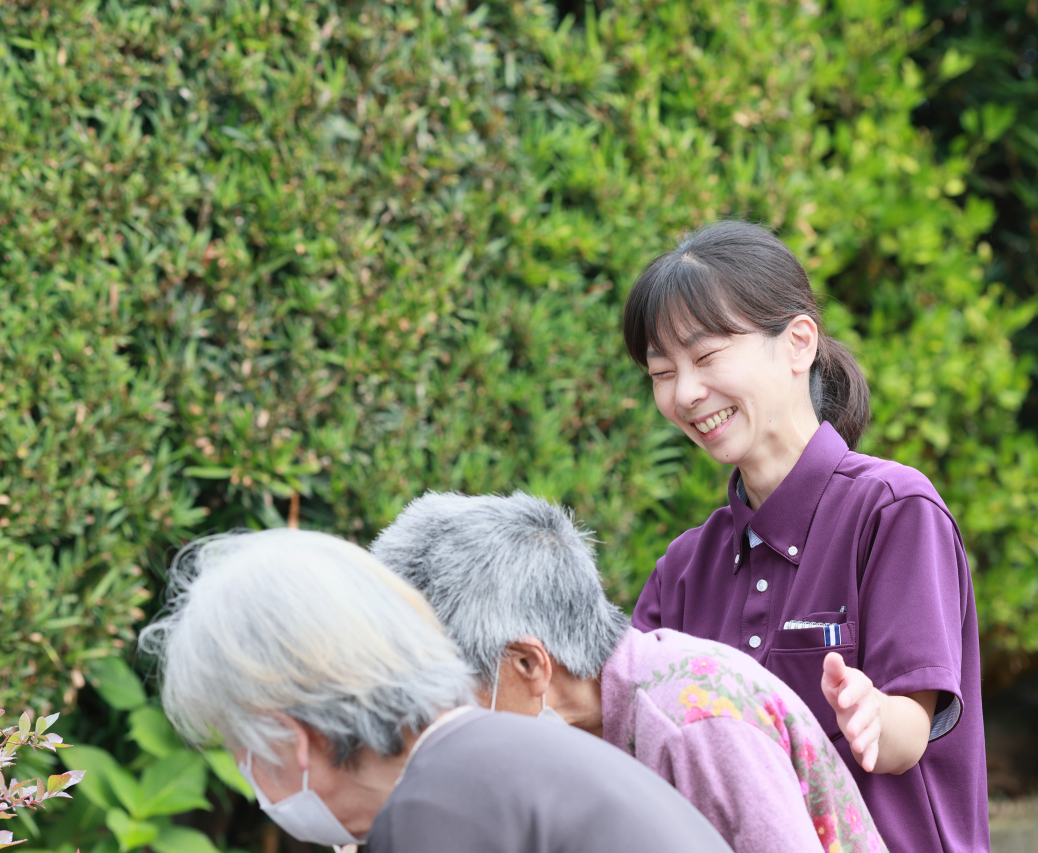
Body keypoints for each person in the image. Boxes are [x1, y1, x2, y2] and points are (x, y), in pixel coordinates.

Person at [620, 221, 989, 853]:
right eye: (662, 372)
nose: (685, 393)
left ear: (798, 343)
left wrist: (870, 713)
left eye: (706, 357)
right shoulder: (682, 570)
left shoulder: (893, 510)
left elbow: (908, 731)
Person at [138, 528, 734, 853]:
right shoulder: (498, 755)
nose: (248, 779)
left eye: (237, 749)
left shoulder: (436, 809)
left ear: (290, 739)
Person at [371, 491, 885, 853]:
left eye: (444, 687)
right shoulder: (595, 724)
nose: (433, 716)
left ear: (529, 665)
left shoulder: (694, 722)